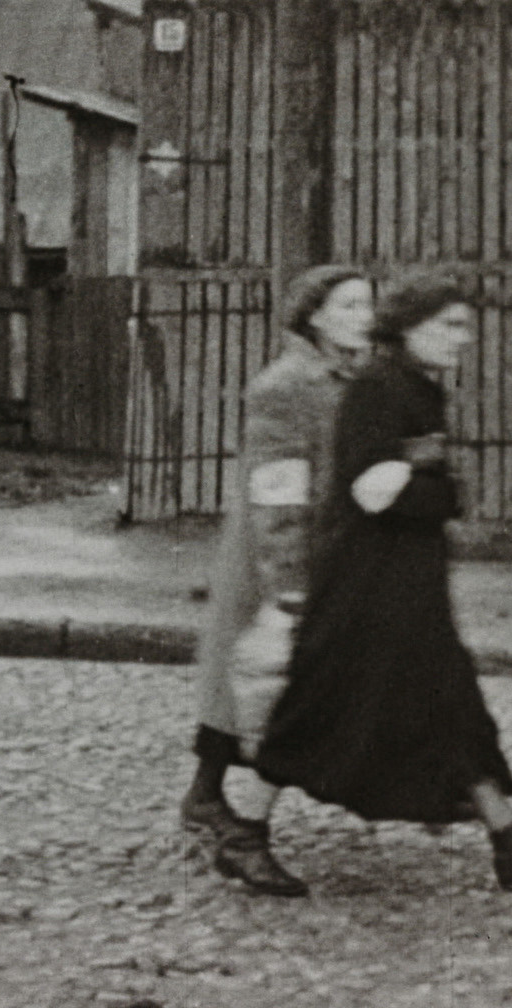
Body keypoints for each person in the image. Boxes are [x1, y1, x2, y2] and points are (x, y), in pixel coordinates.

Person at [253, 273, 512, 893]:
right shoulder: (379, 388)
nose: (464, 338)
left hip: (407, 579)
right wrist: (445, 493)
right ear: (410, 327)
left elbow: (411, 479)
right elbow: (372, 490)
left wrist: (431, 486)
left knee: (452, 704)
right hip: (368, 583)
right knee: (318, 706)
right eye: (451, 325)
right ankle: (243, 829)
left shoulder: (414, 387)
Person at [179, 265, 374, 897]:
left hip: (312, 550)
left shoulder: (345, 377)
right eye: (349, 305)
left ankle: (208, 797)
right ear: (314, 315)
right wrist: (288, 579)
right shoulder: (286, 384)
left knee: (254, 686)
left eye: (368, 305)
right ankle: (228, 817)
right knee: (267, 683)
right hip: (274, 553)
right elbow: (279, 489)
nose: (365, 317)